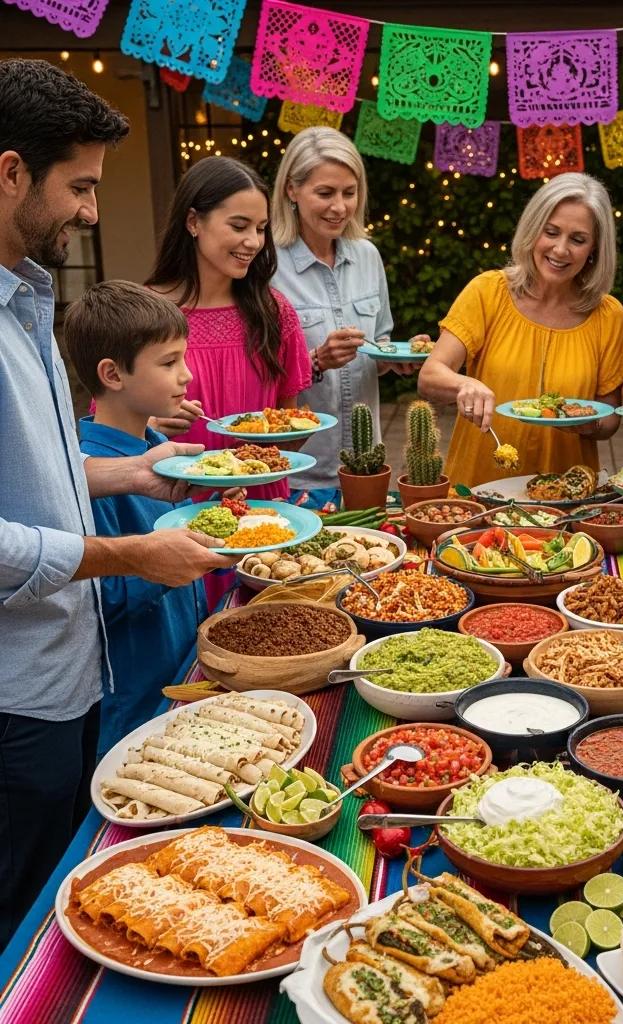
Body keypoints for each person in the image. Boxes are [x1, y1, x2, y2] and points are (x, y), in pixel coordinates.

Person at [0, 58, 231, 949]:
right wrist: (130, 554)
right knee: (22, 925)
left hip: (67, 678)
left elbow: (35, 481)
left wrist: (134, 478)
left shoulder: (24, 295)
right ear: (12, 171)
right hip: (17, 700)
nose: (93, 212)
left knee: (62, 892)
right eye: (80, 186)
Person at [65, 281, 209, 755]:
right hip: (134, 701)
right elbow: (94, 599)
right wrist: (169, 563)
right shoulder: (87, 470)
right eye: (168, 363)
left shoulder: (154, 448)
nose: (186, 375)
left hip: (183, 670)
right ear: (112, 374)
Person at [418, 173, 623, 487]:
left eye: (577, 239)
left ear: (595, 249)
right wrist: (464, 384)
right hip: (478, 493)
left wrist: (587, 425)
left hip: (566, 496)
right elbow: (430, 376)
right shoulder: (488, 291)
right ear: (533, 230)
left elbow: (610, 418)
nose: (560, 250)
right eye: (551, 232)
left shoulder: (609, 315)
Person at [271, 127, 429, 498]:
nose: (339, 206)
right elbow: (254, 374)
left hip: (366, 468)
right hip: (299, 470)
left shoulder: (367, 256)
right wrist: (315, 361)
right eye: (325, 193)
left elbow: (379, 342)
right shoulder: (267, 266)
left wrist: (398, 357)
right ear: (292, 190)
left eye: (349, 192)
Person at [147, 156, 312, 501]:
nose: (253, 241)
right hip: (174, 512)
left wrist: (257, 461)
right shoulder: (145, 313)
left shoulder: (274, 311)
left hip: (263, 511)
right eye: (239, 226)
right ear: (193, 221)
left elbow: (289, 427)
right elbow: (110, 432)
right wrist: (154, 425)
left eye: (261, 228)